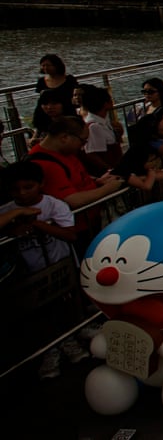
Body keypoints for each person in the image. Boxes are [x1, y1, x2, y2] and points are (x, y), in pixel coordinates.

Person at [0, 161, 88, 379]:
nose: (22, 193)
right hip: (29, 273)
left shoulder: (54, 205)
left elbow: (70, 234)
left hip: (59, 267)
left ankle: (70, 340)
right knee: (40, 313)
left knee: (64, 306)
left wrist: (37, 224)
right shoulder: (6, 212)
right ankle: (51, 350)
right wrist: (14, 225)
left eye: (28, 187)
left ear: (41, 184)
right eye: (15, 189)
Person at [26, 117, 125, 211]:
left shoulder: (66, 152)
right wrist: (108, 189)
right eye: (82, 141)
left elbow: (75, 177)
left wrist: (97, 181)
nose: (83, 147)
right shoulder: (45, 164)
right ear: (65, 137)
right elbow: (72, 200)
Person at [79, 85, 123, 175]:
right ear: (105, 104)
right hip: (107, 172)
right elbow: (92, 154)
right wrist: (110, 170)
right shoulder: (94, 126)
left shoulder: (104, 121)